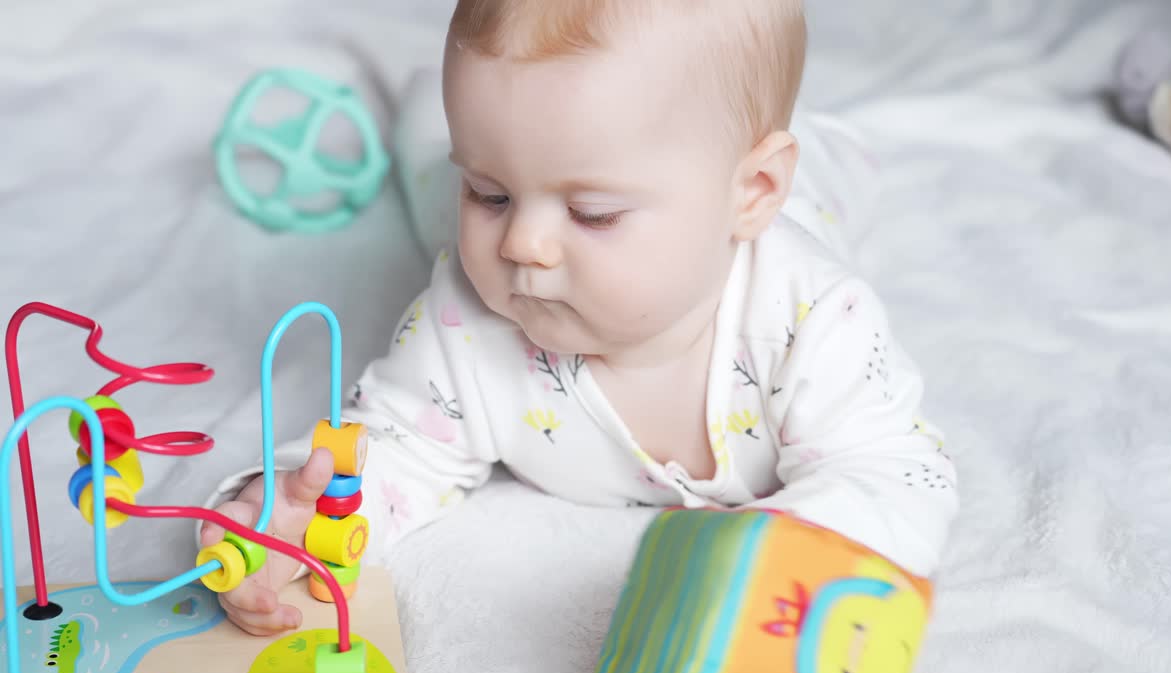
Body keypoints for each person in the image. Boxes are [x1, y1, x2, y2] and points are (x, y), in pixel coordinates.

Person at [199, 0, 958, 640]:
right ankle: (428, 129)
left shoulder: (814, 322)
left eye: (593, 213)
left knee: (832, 166)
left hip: (808, 189)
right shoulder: (466, 318)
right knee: (432, 175)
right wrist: (292, 514)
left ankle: (820, 146)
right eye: (490, 195)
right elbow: (395, 443)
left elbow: (895, 478)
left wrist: (766, 562)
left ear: (752, 189)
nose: (522, 244)